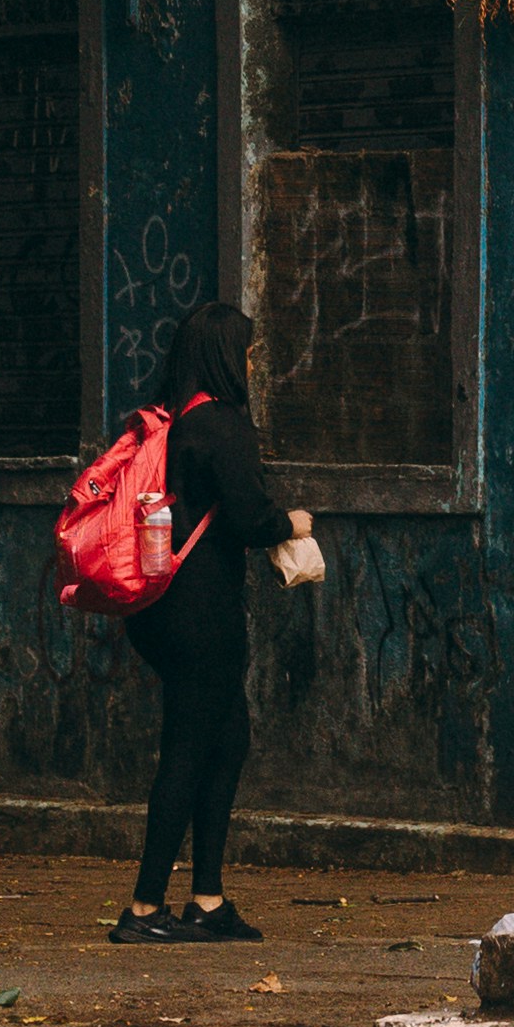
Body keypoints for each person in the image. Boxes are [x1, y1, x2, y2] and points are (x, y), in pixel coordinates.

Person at [111, 299, 309, 945]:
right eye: (247, 353)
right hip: (202, 616)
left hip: (160, 612)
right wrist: (293, 525)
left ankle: (207, 899)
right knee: (189, 750)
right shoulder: (224, 426)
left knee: (227, 741)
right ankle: (144, 908)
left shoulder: (173, 425)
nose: (251, 364)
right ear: (227, 356)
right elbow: (252, 518)